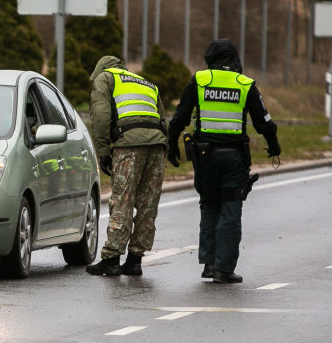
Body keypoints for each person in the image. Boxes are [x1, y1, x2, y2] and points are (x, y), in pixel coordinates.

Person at [167, 39, 280, 284]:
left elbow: (180, 116)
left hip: (204, 156)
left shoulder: (200, 80)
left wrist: (171, 144)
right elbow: (264, 121)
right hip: (233, 157)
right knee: (230, 208)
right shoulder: (245, 84)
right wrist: (273, 144)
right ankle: (224, 269)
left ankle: (209, 263)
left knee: (208, 205)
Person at [86, 56, 168, 276]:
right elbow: (162, 118)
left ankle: (111, 259)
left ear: (100, 68)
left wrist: (103, 152)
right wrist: (164, 147)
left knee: (122, 200)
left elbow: (101, 116)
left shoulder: (105, 79)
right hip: (157, 147)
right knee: (147, 204)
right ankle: (135, 260)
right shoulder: (146, 83)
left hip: (129, 145)